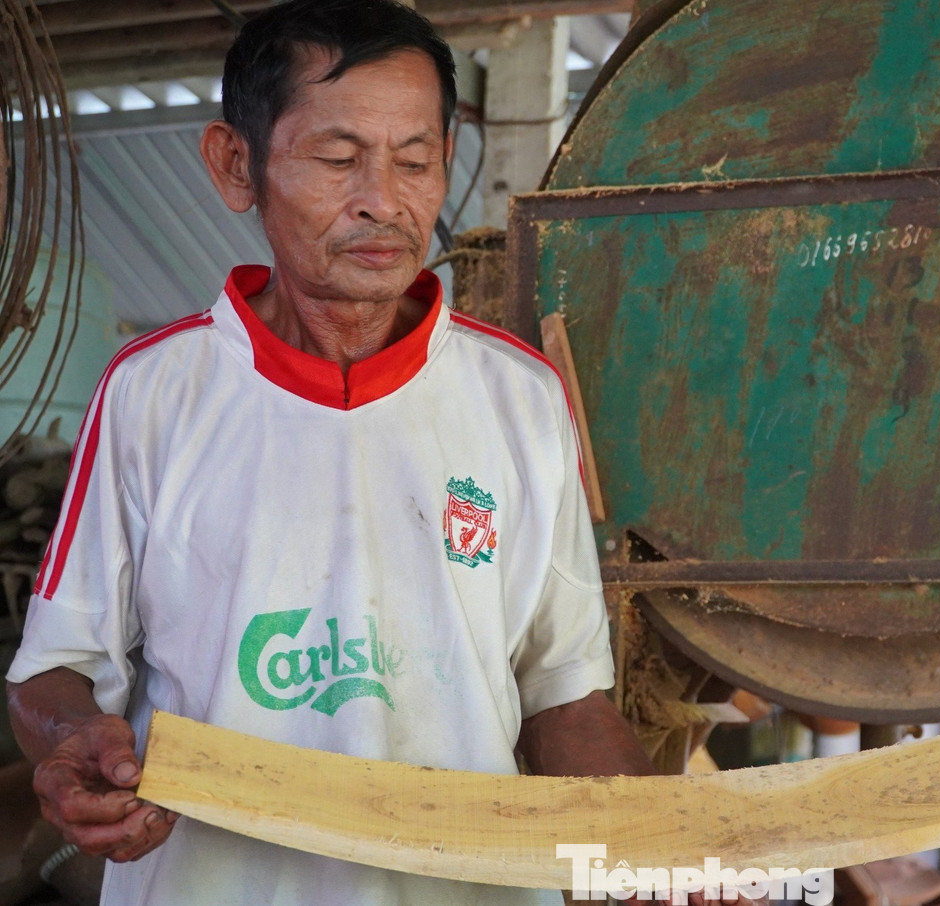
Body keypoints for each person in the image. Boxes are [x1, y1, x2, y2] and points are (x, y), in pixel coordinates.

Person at [4, 1, 658, 903]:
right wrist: (79, 745)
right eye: (339, 158)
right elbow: (53, 669)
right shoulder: (155, 393)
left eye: (417, 160)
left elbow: (565, 695)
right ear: (237, 165)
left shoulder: (521, 398)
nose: (384, 200)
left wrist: (666, 844)